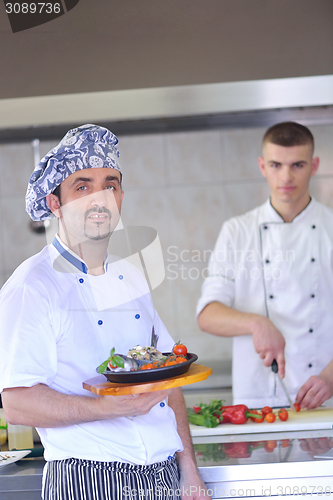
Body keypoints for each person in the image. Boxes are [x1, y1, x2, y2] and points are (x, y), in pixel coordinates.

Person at [0, 125, 209, 500]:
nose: (100, 198)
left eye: (109, 184)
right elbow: (16, 403)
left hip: (163, 479)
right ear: (55, 204)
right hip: (87, 480)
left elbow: (168, 377)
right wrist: (106, 407)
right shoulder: (32, 286)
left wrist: (189, 470)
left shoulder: (131, 276)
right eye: (82, 186)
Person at [197, 121, 333, 410]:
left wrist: (331, 379)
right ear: (262, 166)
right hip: (259, 402)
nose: (286, 176)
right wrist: (256, 323)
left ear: (314, 165)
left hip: (327, 398)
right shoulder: (237, 231)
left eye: (297, 165)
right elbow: (207, 314)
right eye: (275, 165)